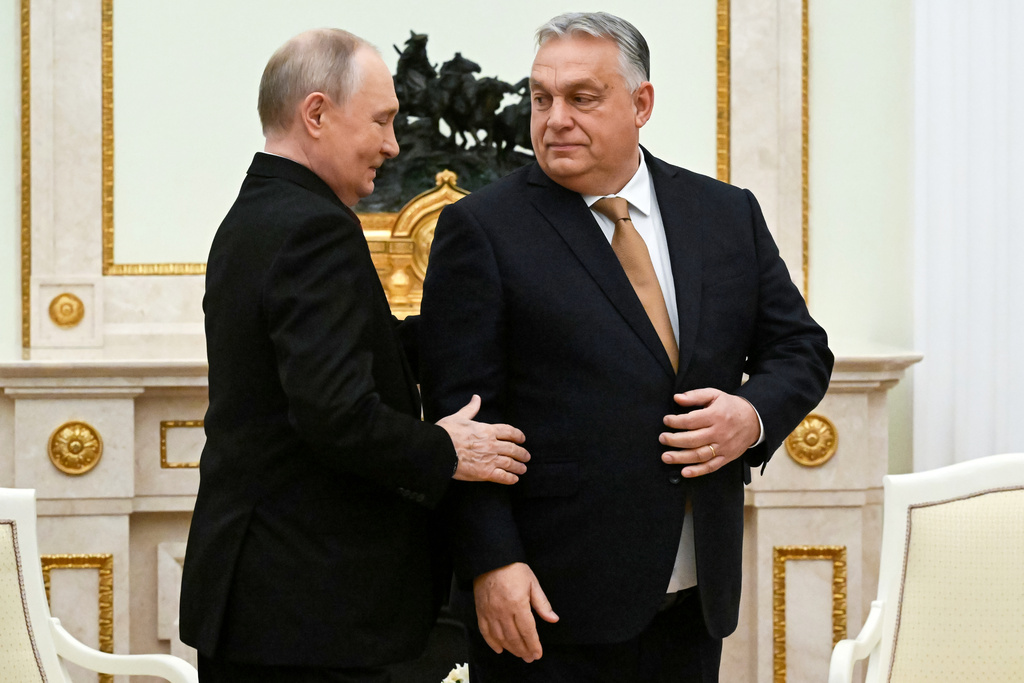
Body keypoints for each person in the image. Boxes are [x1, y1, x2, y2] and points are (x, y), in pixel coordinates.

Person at [419, 12, 833, 683]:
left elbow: (801, 350)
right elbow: (463, 418)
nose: (555, 118)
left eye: (582, 98)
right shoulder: (481, 229)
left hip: (697, 596)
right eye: (541, 97)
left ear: (640, 104)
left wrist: (750, 416)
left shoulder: (726, 214)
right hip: (550, 602)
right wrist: (491, 562)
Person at [179, 29, 531, 683]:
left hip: (260, 603)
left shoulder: (258, 213)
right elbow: (336, 413)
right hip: (308, 616)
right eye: (382, 120)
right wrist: (449, 450)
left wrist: (469, 328)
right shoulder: (315, 228)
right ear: (316, 114)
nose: (394, 145)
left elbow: (344, 354)